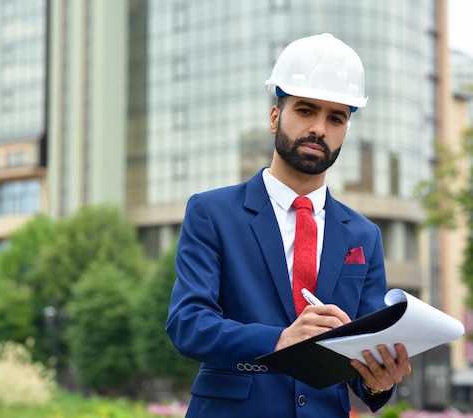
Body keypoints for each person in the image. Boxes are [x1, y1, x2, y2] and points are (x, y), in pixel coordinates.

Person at [165, 33, 412, 417]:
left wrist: (376, 380)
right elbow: (188, 323)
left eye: (336, 118)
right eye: (306, 110)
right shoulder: (212, 212)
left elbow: (364, 347)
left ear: (346, 129)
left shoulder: (364, 235)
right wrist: (279, 339)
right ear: (275, 116)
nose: (319, 128)